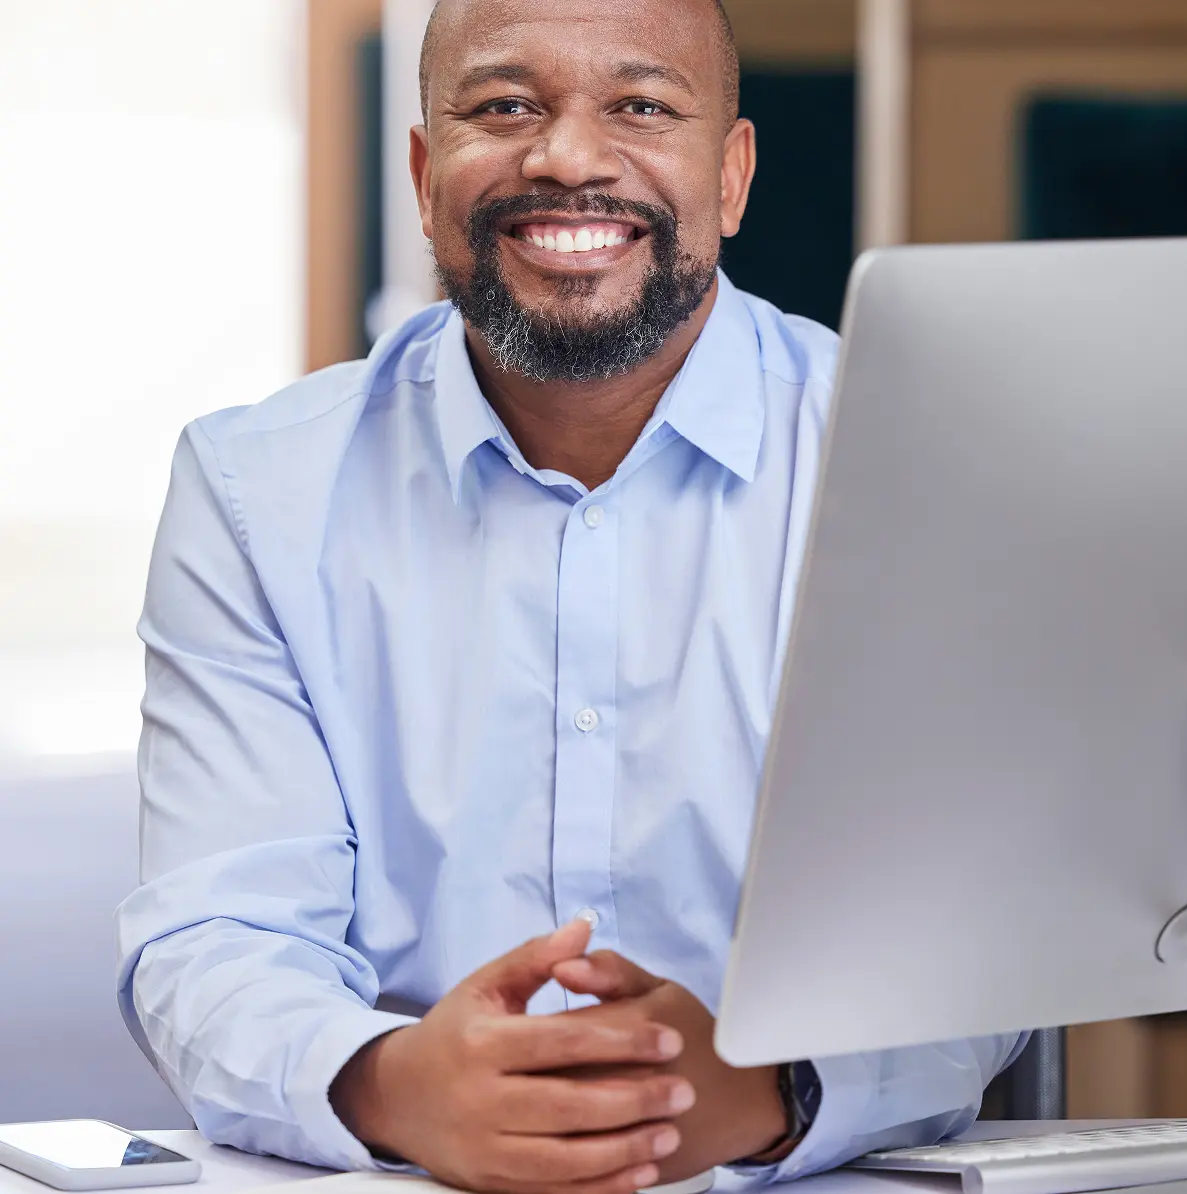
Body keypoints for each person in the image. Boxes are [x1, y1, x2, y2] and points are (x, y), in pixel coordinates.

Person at [116, 0, 1026, 1190]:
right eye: (504, 107)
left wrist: (757, 1095)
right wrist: (392, 1084)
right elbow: (216, 931)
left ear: (732, 174)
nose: (569, 158)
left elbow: (983, 927)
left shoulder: (923, 456)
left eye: (641, 107)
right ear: (425, 169)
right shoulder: (253, 489)